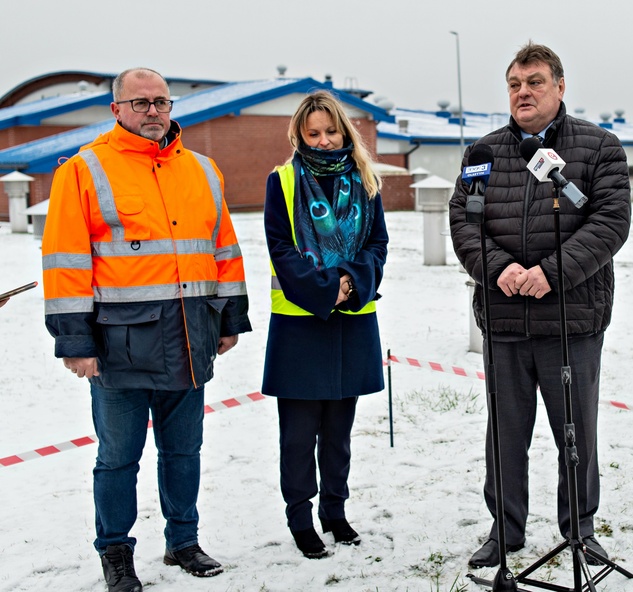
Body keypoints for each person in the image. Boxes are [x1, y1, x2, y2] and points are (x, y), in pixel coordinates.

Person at [42, 67, 252, 592]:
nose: (153, 111)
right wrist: (74, 341)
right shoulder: (84, 170)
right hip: (119, 346)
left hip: (189, 338)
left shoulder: (203, 170)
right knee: (118, 458)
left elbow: (224, 250)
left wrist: (228, 319)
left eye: (161, 101)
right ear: (116, 110)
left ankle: (184, 541)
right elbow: (65, 262)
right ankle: (115, 552)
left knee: (184, 451)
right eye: (140, 103)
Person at [449, 42, 631, 569]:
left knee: (576, 433)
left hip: (571, 321)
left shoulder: (599, 149)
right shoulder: (481, 153)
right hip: (504, 319)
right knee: (505, 435)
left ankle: (579, 529)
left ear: (560, 86)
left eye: (534, 82)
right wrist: (499, 269)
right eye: (514, 84)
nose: (522, 92)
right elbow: (464, 221)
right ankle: (504, 530)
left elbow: (609, 224)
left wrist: (549, 274)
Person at [262, 90, 388, 559]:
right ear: (299, 135)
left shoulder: (366, 180)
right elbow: (281, 248)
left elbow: (377, 244)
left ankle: (334, 511)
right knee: (298, 436)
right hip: (300, 324)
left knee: (339, 432)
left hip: (351, 321)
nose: (322, 140)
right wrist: (325, 289)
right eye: (312, 133)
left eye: (330, 131)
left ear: (344, 131)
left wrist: (350, 284)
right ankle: (300, 517)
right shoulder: (282, 181)